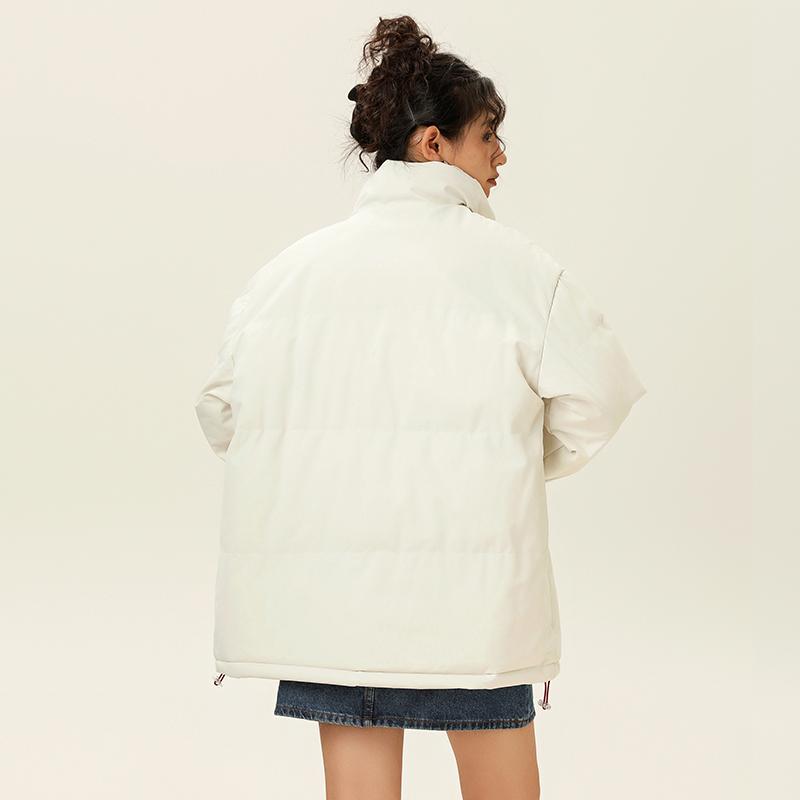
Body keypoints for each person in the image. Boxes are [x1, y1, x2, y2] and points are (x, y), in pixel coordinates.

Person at [194, 14, 646, 800]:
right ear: (433, 143)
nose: (501, 156)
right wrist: (511, 452)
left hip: (335, 615)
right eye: (488, 136)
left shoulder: (286, 277)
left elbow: (223, 414)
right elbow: (600, 399)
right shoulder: (519, 272)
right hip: (474, 615)